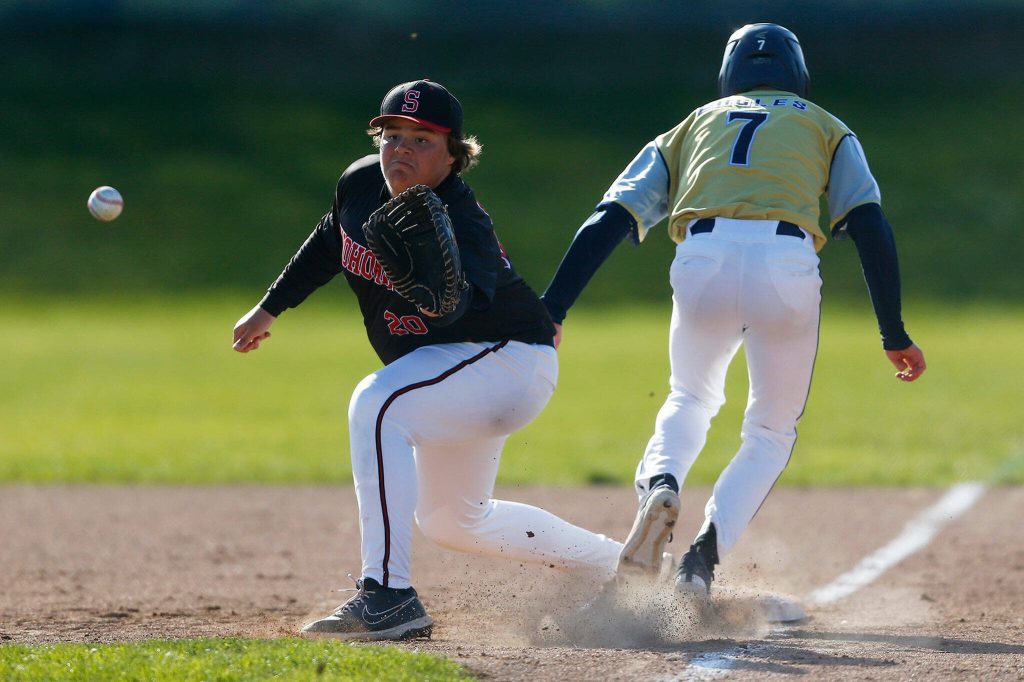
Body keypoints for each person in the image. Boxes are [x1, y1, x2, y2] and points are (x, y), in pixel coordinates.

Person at [541, 24, 926, 600]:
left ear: (728, 73)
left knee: (689, 397)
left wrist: (553, 306)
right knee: (771, 430)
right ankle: (702, 559)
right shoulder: (826, 126)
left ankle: (660, 486)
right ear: (798, 74)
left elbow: (611, 217)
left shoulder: (691, 126)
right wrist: (891, 330)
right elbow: (868, 222)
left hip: (702, 258)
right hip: (786, 262)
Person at [232, 79, 624, 641]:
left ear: (454, 153)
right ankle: (621, 566)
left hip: (506, 360)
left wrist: (427, 282)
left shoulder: (464, 224)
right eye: (391, 134)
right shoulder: (362, 183)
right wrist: (270, 308)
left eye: (421, 139)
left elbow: (456, 309)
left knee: (378, 403)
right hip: (454, 371)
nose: (400, 150)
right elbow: (329, 239)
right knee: (453, 520)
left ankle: (388, 598)